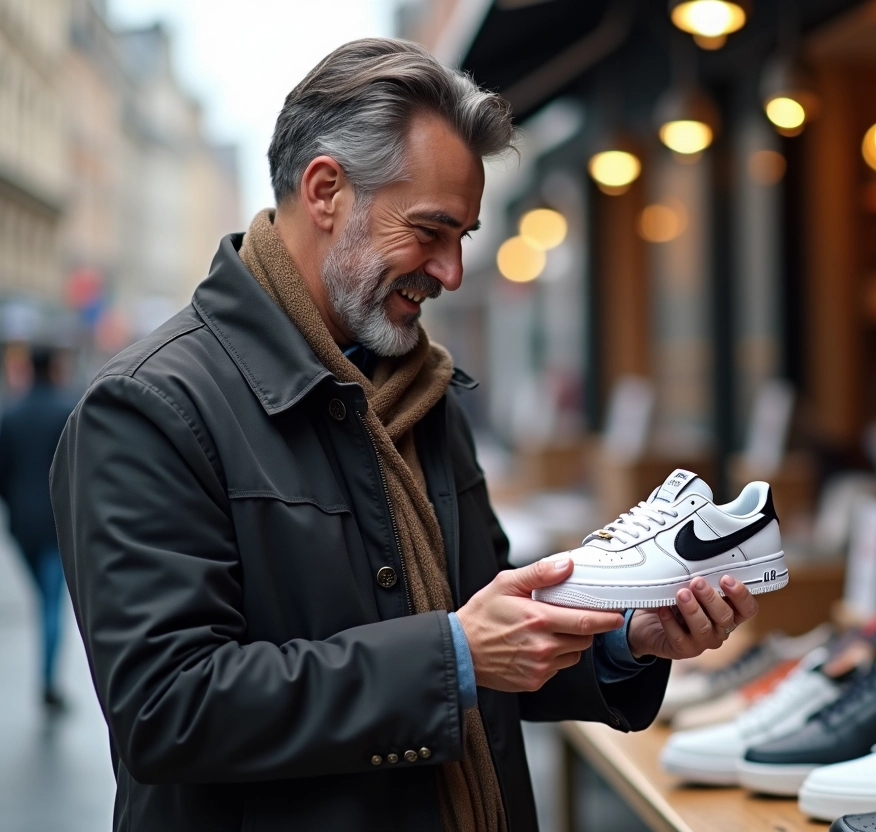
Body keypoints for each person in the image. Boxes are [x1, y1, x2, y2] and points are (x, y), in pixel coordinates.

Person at [51, 39, 762, 831]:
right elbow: (165, 709)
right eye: (431, 230)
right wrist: (452, 655)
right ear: (326, 190)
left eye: (464, 235)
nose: (452, 271)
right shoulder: (148, 406)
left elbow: (492, 630)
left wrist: (623, 641)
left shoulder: (423, 390)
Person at [0, 346, 77, 710]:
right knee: (50, 603)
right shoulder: (66, 412)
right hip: (55, 523)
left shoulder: (10, 414)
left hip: (21, 525)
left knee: (42, 597)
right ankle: (48, 684)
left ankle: (46, 680)